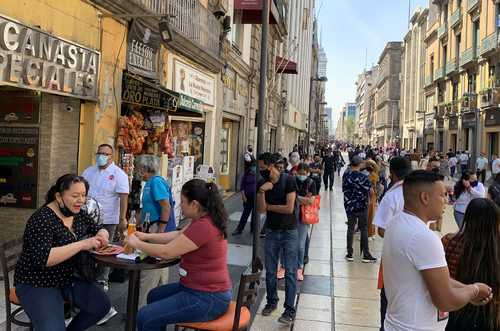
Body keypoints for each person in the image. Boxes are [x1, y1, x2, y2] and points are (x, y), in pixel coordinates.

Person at [382, 170, 493, 331]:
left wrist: (465, 290)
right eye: (442, 195)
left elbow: (438, 279)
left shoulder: (396, 223)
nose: (446, 201)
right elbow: (445, 300)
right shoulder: (423, 237)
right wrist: (474, 290)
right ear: (425, 197)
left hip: (397, 323)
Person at [131, 179, 232, 331]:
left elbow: (167, 252)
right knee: (154, 295)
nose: (179, 205)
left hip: (207, 297)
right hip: (197, 289)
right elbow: (177, 235)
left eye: (183, 201)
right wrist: (145, 237)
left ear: (195, 204)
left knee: (145, 316)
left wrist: (137, 244)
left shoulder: (203, 226)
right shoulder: (203, 219)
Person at [14, 174, 111, 331]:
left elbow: (97, 228)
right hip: (37, 281)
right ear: (59, 196)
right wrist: (82, 244)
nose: (81, 200)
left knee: (101, 306)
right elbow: (44, 259)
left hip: (66, 278)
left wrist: (102, 234)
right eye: (75, 195)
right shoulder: (41, 219)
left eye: (84, 195)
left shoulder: (78, 214)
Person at [441, 198, 500, 331]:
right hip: (492, 317)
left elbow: (443, 278)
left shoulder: (450, 242)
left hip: (455, 311)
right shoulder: (496, 249)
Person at [257, 152, 298, 325]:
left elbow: (289, 208)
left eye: (262, 167)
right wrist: (261, 191)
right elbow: (261, 210)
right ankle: (271, 302)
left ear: (271, 166)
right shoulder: (262, 183)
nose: (261, 171)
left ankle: (289, 310)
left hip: (289, 232)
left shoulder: (288, 180)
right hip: (272, 231)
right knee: (271, 271)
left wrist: (270, 206)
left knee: (289, 271)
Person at [82, 144, 129, 294]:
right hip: (87, 218)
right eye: (99, 153)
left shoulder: (119, 174)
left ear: (111, 156)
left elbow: (123, 198)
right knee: (86, 247)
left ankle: (102, 279)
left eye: (105, 154)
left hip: (108, 219)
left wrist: (122, 219)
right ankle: (86, 277)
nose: (101, 156)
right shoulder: (88, 171)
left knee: (104, 249)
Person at [373, 157, 411, 331]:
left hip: (393, 258)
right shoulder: (417, 192)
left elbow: (380, 230)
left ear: (392, 173)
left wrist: (399, 237)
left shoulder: (392, 196)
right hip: (416, 259)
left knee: (388, 299)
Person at [135, 155, 176, 308]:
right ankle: (155, 306)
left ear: (145, 168)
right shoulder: (149, 183)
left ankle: (142, 308)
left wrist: (160, 231)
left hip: (157, 228)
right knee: (159, 271)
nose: (137, 170)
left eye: (139, 167)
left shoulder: (156, 182)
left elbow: (166, 207)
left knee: (149, 271)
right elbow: (147, 208)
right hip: (152, 227)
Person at [342, 155, 377, 263]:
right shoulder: (363, 177)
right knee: (364, 229)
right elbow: (371, 192)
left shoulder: (345, 175)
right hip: (362, 206)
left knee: (350, 228)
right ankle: (366, 254)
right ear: (360, 164)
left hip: (349, 205)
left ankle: (349, 253)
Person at [295, 163, 317, 281]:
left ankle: (300, 267)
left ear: (308, 173)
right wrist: (303, 199)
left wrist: (296, 198)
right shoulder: (293, 180)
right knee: (303, 238)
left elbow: (310, 201)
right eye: (300, 173)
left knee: (300, 244)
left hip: (304, 216)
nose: (301, 176)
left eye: (304, 174)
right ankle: (305, 256)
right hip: (292, 215)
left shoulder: (311, 183)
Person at [233, 160, 256, 235]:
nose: (253, 168)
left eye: (255, 167)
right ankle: (239, 229)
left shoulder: (260, 174)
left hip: (256, 198)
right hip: (247, 198)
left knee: (255, 215)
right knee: (245, 214)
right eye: (253, 166)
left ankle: (253, 230)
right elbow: (242, 186)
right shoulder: (247, 174)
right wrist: (243, 196)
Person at [365, 159, 380, 239]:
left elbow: (371, 186)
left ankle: (370, 233)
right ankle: (372, 233)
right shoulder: (375, 174)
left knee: (369, 214)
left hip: (370, 195)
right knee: (372, 214)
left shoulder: (370, 176)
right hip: (373, 195)